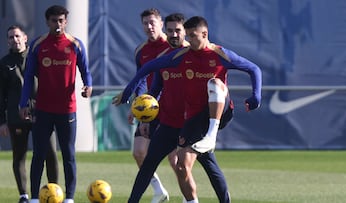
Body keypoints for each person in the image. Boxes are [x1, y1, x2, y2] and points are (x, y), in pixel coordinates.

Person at [113, 16, 262, 202]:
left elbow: (254, 68)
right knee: (177, 165)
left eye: (191, 35)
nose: (188, 39)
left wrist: (256, 96)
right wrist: (128, 93)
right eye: (173, 31)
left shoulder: (220, 54)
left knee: (215, 83)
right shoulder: (177, 57)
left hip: (214, 114)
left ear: (204, 34)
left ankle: (211, 135)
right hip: (185, 121)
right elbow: (148, 70)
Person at [18, 5, 92, 203]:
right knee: (39, 154)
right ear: (47, 21)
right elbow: (28, 78)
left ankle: (69, 198)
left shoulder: (76, 45)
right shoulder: (37, 45)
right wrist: (23, 103)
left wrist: (88, 86)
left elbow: (86, 71)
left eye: (61, 20)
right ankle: (34, 197)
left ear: (66, 21)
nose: (58, 24)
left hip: (68, 110)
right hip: (43, 109)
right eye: (54, 21)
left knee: (68, 154)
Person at [0, 25, 59, 203]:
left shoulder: (38, 58)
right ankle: (24, 196)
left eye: (17, 36)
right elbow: (0, 95)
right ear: (7, 41)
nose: (14, 40)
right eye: (10, 37)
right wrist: (2, 121)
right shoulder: (4, 63)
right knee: (19, 155)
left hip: (42, 114)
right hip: (16, 117)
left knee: (50, 152)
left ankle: (54, 191)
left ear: (25, 38)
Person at [127, 8, 170, 203]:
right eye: (145, 23)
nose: (149, 26)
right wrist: (136, 108)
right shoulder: (141, 51)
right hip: (150, 108)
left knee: (177, 160)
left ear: (161, 23)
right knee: (139, 153)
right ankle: (159, 190)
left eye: (153, 22)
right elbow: (140, 80)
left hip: (171, 107)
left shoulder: (174, 47)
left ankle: (189, 198)